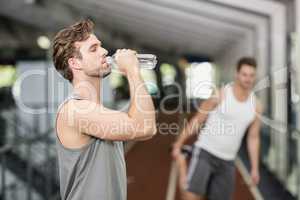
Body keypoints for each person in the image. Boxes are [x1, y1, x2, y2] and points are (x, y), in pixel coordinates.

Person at [52, 19, 157, 200]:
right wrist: (132, 71)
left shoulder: (98, 110)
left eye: (100, 46)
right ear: (75, 63)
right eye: (93, 49)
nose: (104, 51)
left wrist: (132, 71)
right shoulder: (75, 110)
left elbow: (144, 123)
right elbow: (145, 127)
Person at [172, 57, 263, 200]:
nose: (248, 79)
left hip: (228, 160)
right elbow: (198, 119)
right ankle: (182, 163)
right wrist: (179, 143)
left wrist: (255, 168)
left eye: (251, 75)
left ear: (255, 77)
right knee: (190, 197)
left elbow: (253, 137)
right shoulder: (221, 94)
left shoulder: (256, 106)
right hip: (206, 151)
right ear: (237, 74)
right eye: (244, 74)